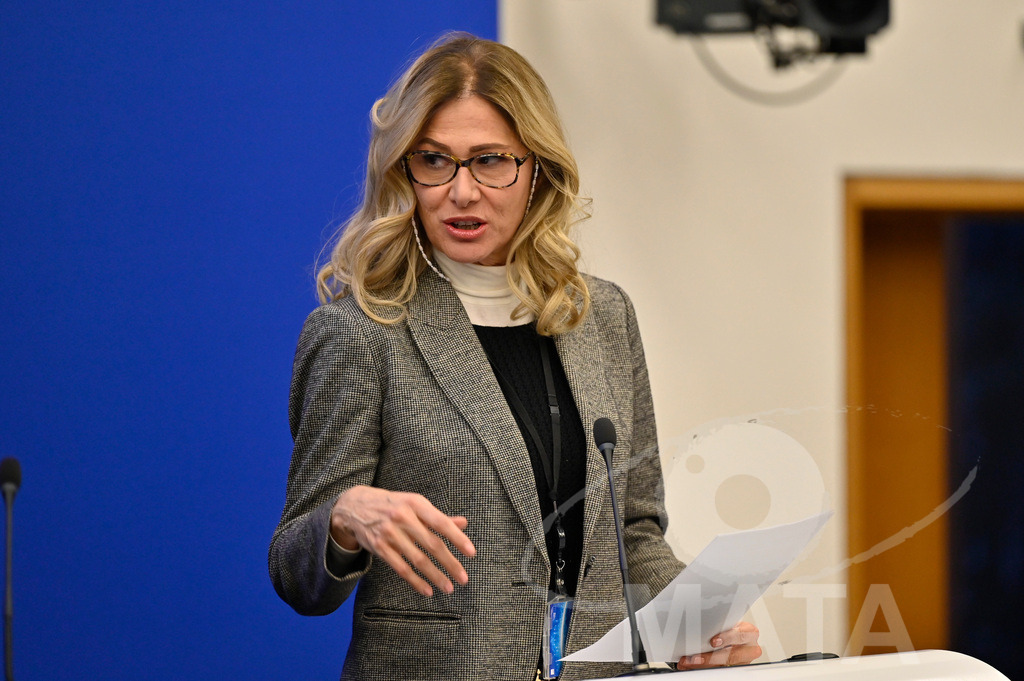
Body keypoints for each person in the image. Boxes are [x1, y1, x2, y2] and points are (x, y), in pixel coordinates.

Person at [269, 33, 761, 680]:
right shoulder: (362, 333)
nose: (462, 190)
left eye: (491, 160)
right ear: (403, 172)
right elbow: (298, 576)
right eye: (434, 161)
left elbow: (633, 535)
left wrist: (702, 619)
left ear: (537, 169)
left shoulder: (602, 318)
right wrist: (344, 518)